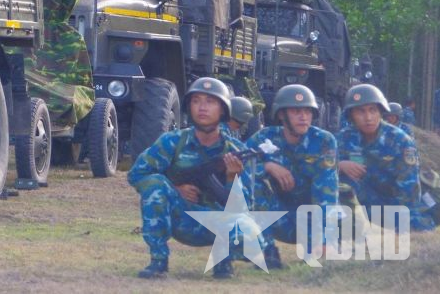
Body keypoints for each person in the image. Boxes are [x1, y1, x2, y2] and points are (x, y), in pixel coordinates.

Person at [128, 77, 254, 279]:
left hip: (219, 224)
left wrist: (232, 178)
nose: (202, 107)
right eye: (196, 101)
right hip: (181, 219)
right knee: (155, 187)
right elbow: (137, 174)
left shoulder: (236, 151)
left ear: (223, 110)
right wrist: (175, 188)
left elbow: (247, 207)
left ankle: (224, 262)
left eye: (210, 101)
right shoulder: (173, 142)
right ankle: (158, 262)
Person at [247, 84, 339, 263]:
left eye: (307, 111)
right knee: (251, 187)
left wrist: (324, 238)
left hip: (312, 219)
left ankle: (318, 246)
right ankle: (267, 252)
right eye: (296, 111)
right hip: (280, 216)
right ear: (281, 114)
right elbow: (238, 169)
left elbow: (326, 193)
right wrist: (266, 166)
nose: (303, 117)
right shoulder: (264, 139)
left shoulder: (324, 142)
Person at [336, 84, 436, 232]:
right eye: (361, 111)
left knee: (416, 225)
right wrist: (339, 165)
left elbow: (408, 192)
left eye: (373, 110)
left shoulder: (400, 141)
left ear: (381, 112)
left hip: (391, 204)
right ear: (351, 115)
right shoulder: (343, 138)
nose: (368, 117)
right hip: (357, 203)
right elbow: (321, 168)